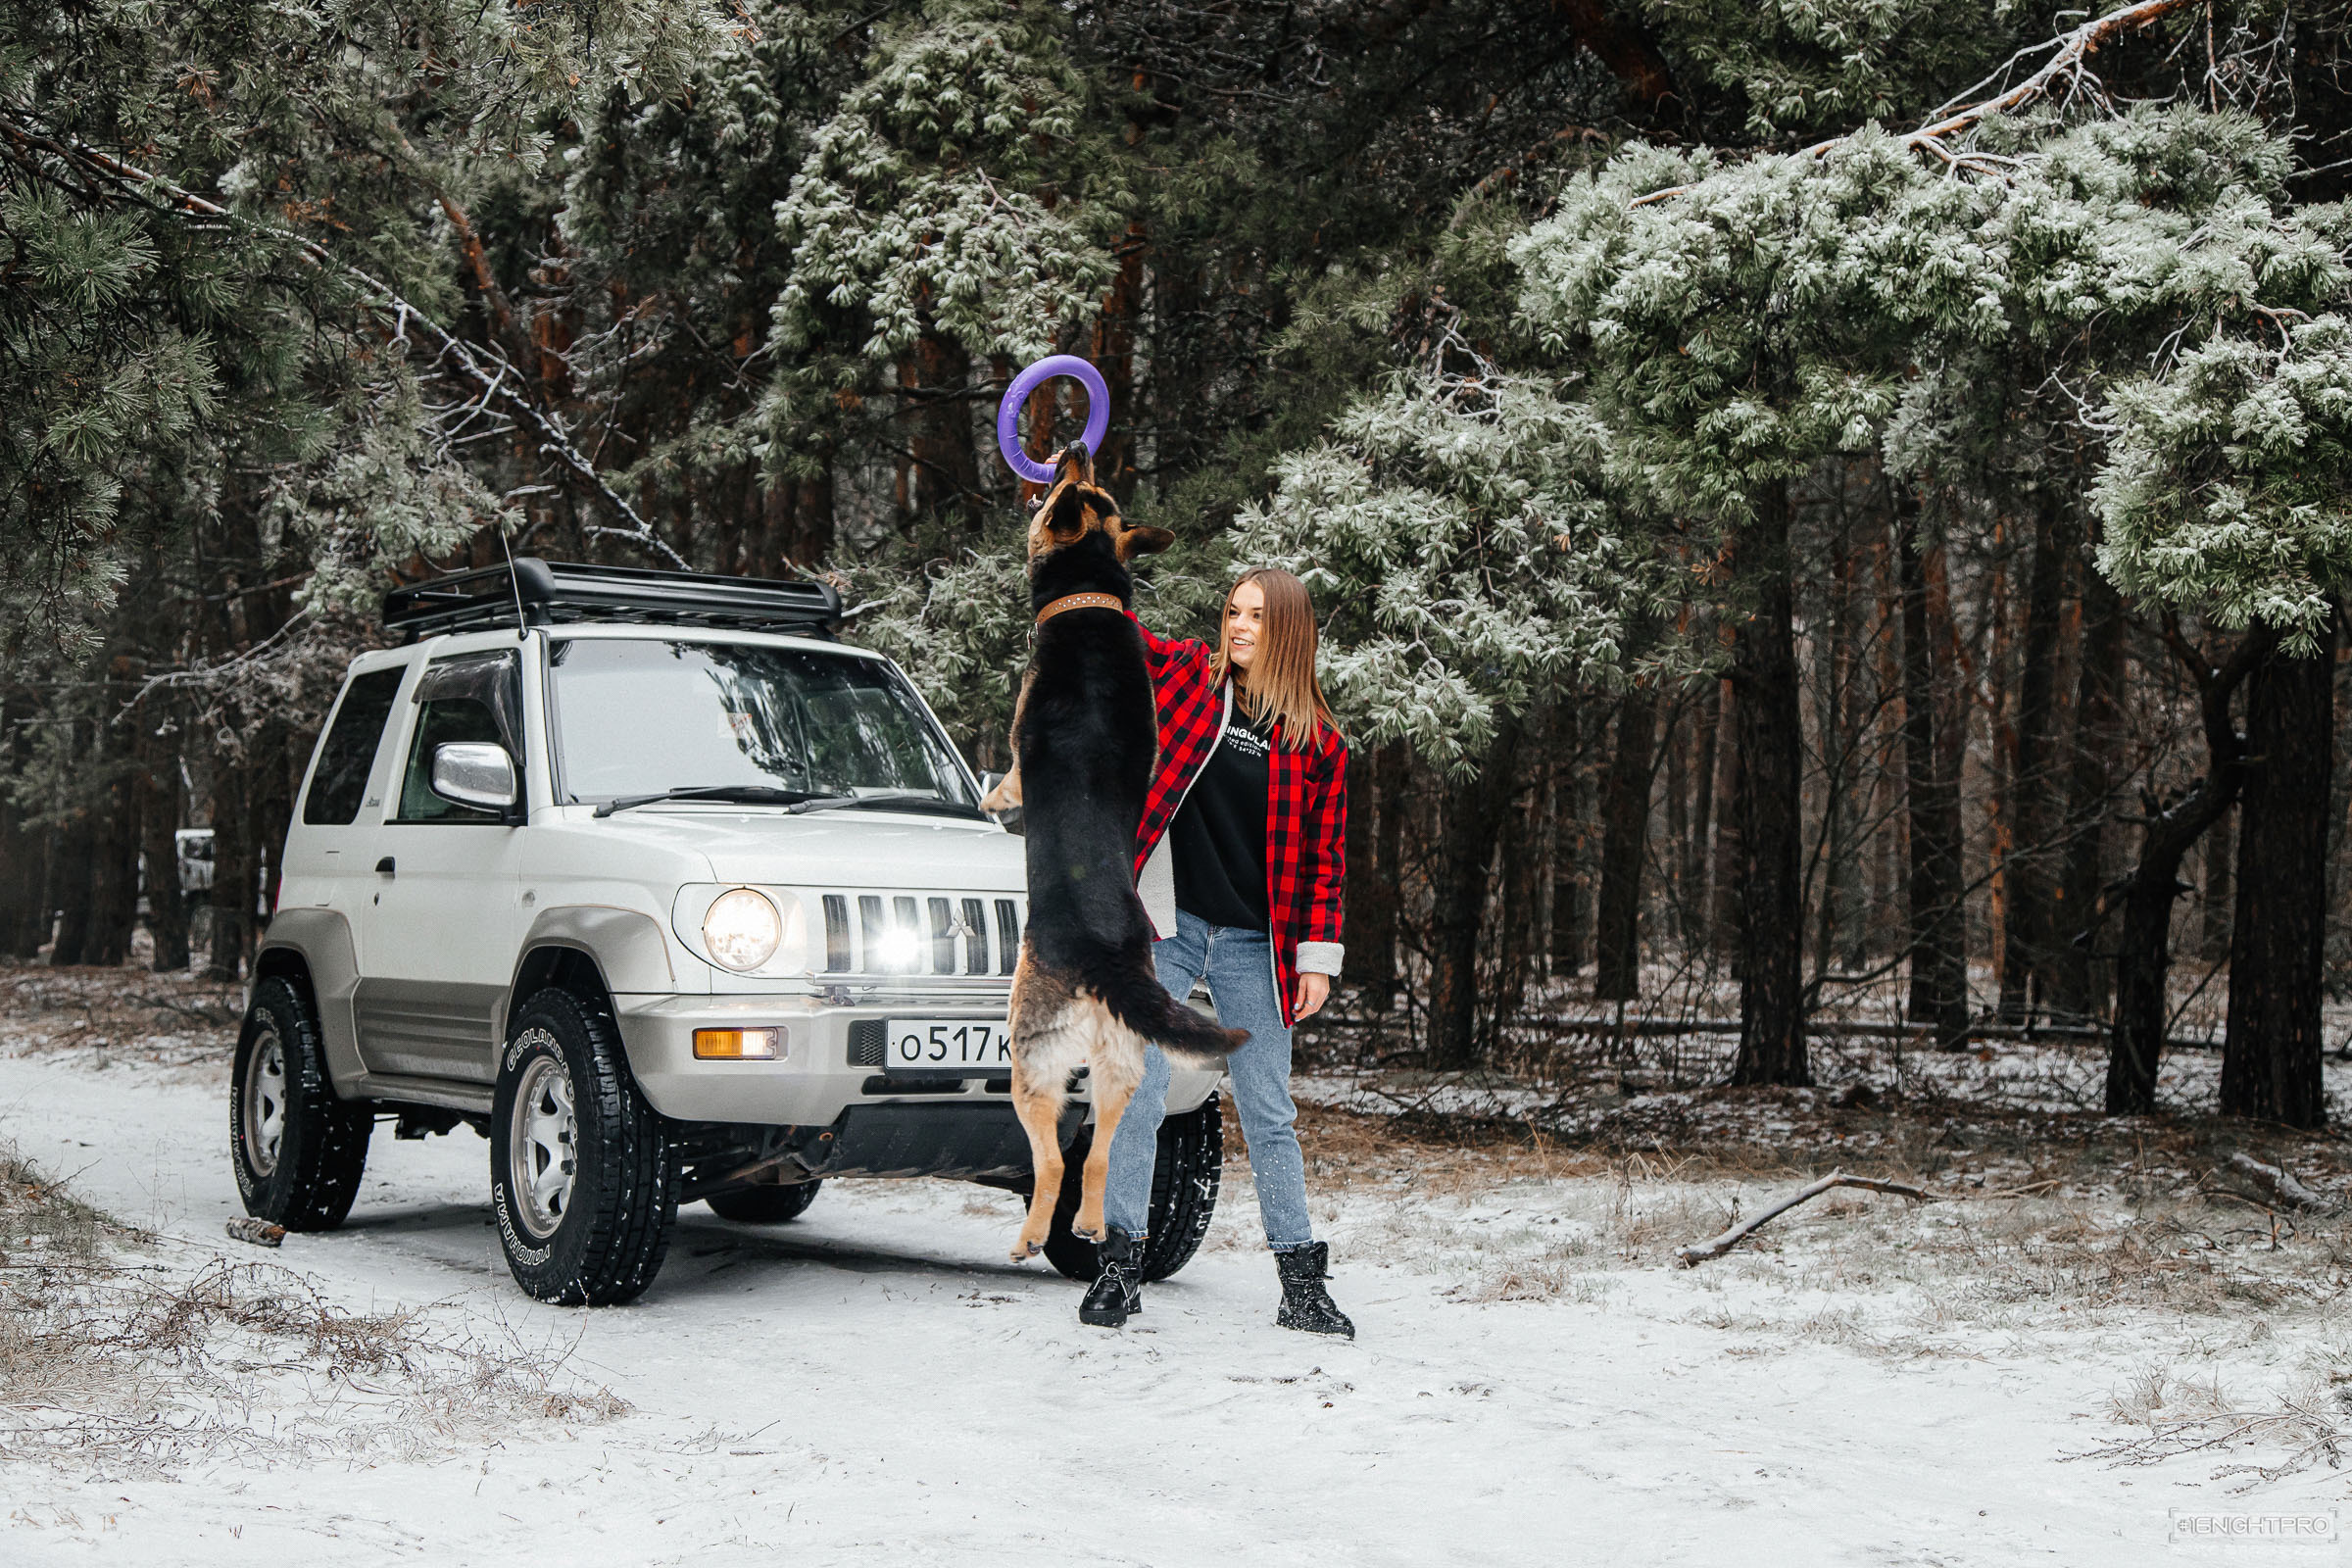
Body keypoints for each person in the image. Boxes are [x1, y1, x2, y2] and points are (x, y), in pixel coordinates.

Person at [1082, 567, 1353, 1337]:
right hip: (1167, 919)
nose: (1237, 628)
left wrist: (1315, 959)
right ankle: (1120, 1267)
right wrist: (1075, 539)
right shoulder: (1191, 681)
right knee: (1137, 1081)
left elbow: (1324, 861)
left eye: (1257, 618)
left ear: (1289, 631)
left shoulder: (1319, 744)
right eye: (1233, 612)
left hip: (1256, 942)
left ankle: (1302, 1285)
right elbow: (1112, 628)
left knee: (1269, 1109)